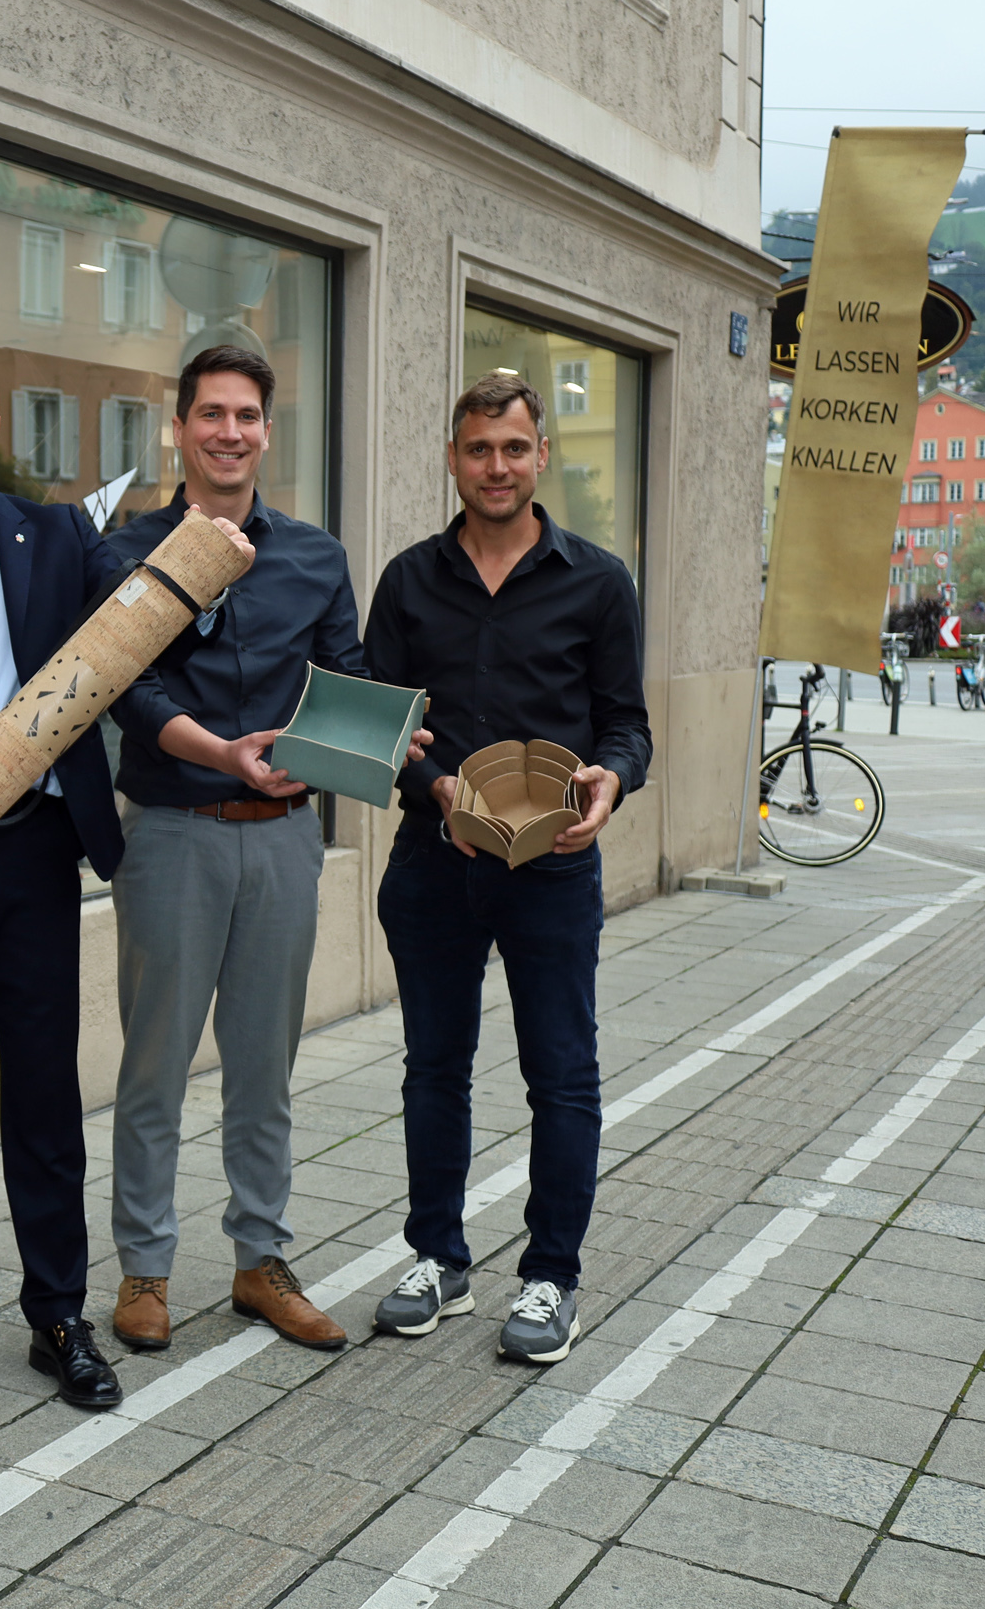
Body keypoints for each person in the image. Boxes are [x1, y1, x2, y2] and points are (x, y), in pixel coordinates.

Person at [0, 348, 250, 1410]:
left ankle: (56, 1310)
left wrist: (207, 571)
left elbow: (136, 630)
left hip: (29, 846)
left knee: (41, 1086)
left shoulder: (59, 534)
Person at [100, 346, 413, 1356]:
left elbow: (344, 673)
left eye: (246, 415)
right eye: (209, 414)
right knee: (152, 1065)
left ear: (266, 432)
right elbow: (128, 687)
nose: (228, 431)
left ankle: (258, 1259)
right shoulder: (131, 552)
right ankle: (144, 1265)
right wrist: (219, 751)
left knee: (263, 1067)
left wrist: (382, 732)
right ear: (179, 428)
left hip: (283, 840)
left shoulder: (315, 556)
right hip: (171, 835)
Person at [364, 371, 650, 1365]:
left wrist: (610, 780)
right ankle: (436, 1255)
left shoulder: (597, 580)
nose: (497, 465)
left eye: (515, 447)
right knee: (431, 1067)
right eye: (479, 448)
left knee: (560, 1074)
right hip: (436, 861)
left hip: (552, 866)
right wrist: (436, 786)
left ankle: (550, 1274)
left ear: (540, 456)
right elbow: (386, 725)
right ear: (453, 457)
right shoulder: (406, 579)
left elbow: (627, 725)